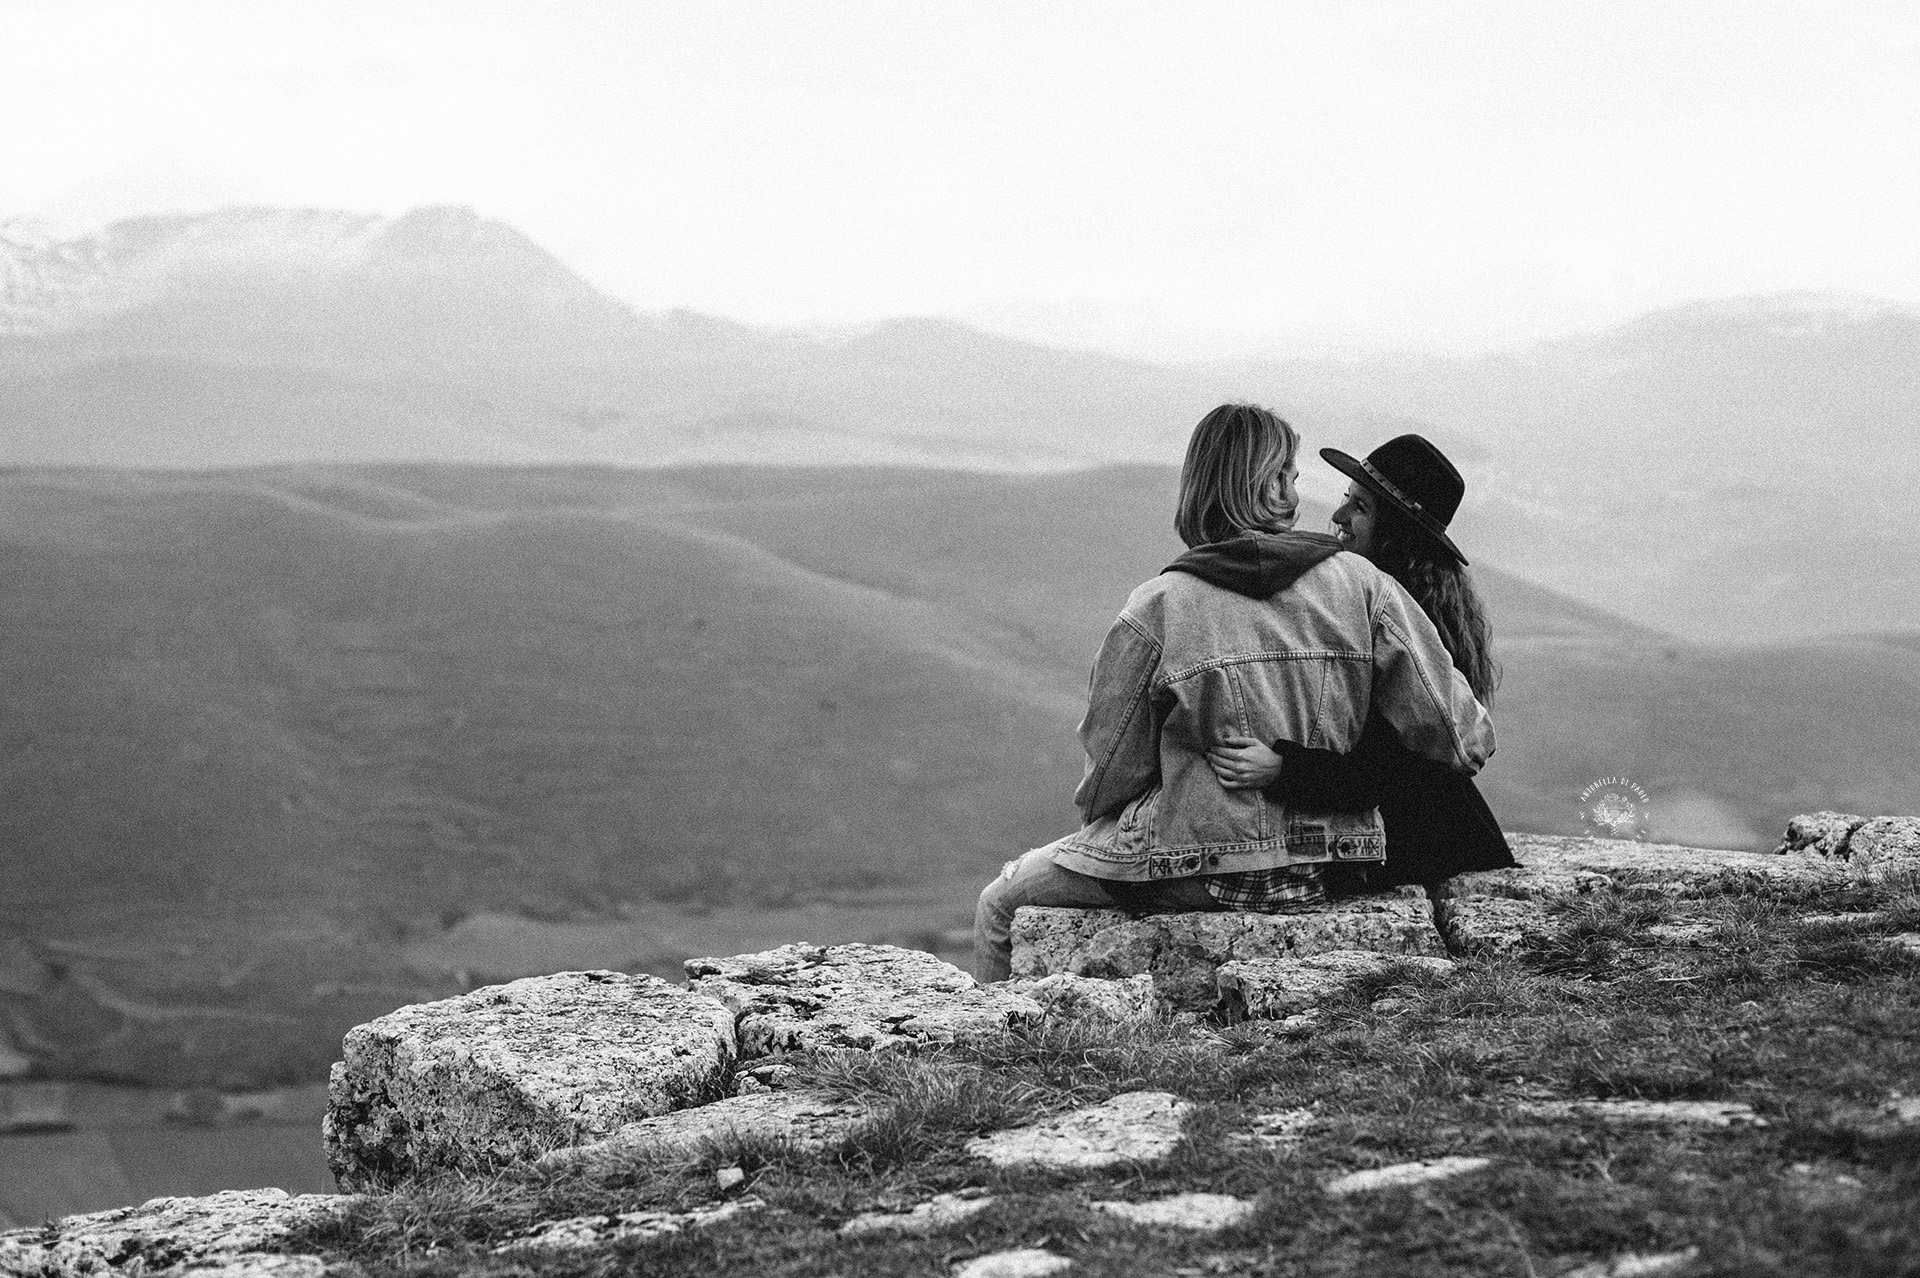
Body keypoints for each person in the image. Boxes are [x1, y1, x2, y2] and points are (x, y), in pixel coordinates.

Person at [972, 405, 1495, 983]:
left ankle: (999, 1042)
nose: (1319, 503)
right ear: (1272, 489)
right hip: (1332, 864)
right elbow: (1462, 737)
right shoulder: (1369, 586)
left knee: (1000, 903)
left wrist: (1119, 819)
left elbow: (1110, 769)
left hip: (1195, 865)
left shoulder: (1158, 605)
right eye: (1293, 477)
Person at [1205, 434, 1515, 888]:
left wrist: (1285, 770)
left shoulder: (1409, 622)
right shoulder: (1375, 601)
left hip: (1422, 848)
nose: (1338, 516)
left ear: (1396, 533)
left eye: (1361, 508)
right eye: (1346, 498)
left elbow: (1404, 771)